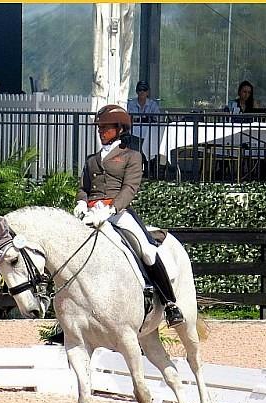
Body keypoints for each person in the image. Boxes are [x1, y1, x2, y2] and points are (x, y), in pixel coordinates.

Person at [73, 104, 185, 328]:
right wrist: (81, 202)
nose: (101, 131)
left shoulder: (132, 156)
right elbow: (84, 186)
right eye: (100, 127)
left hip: (117, 213)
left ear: (120, 129)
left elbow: (130, 188)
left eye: (106, 127)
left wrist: (111, 209)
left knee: (146, 249)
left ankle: (170, 303)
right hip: (90, 214)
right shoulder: (91, 159)